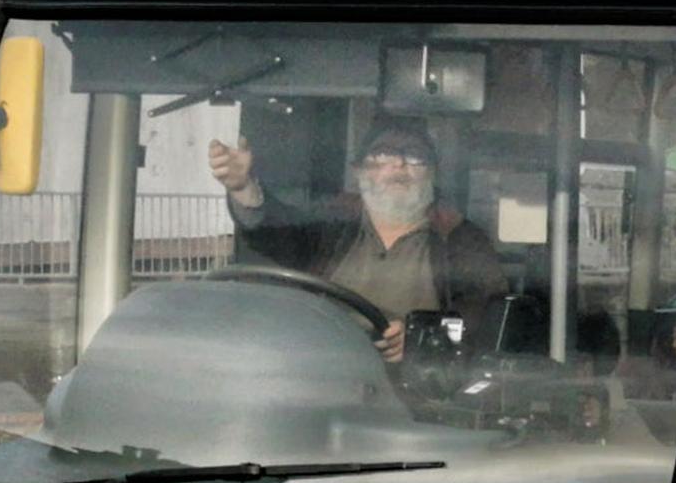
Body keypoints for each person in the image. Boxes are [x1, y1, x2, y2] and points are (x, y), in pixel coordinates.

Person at [207, 118, 506, 362]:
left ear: (432, 173)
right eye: (382, 156)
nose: (398, 166)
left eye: (415, 157)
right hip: (325, 374)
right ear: (359, 171)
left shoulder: (460, 238)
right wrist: (243, 186)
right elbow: (273, 233)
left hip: (416, 395)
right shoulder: (330, 223)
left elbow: (489, 317)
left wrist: (422, 339)